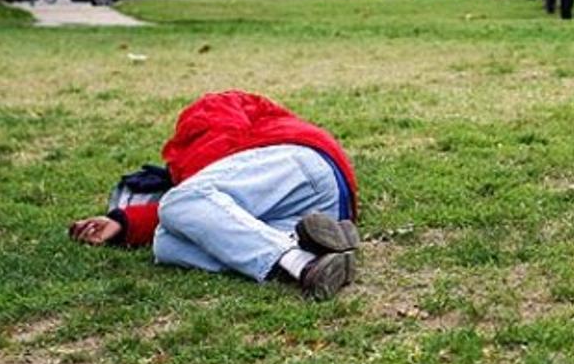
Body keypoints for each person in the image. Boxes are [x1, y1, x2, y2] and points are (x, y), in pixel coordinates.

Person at [68, 91, 362, 300]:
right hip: (318, 208)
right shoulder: (190, 181)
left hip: (299, 163)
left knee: (180, 203)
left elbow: (190, 198)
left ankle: (300, 264)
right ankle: (312, 247)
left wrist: (184, 183)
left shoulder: (213, 109)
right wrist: (124, 223)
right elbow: (201, 215)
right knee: (165, 243)